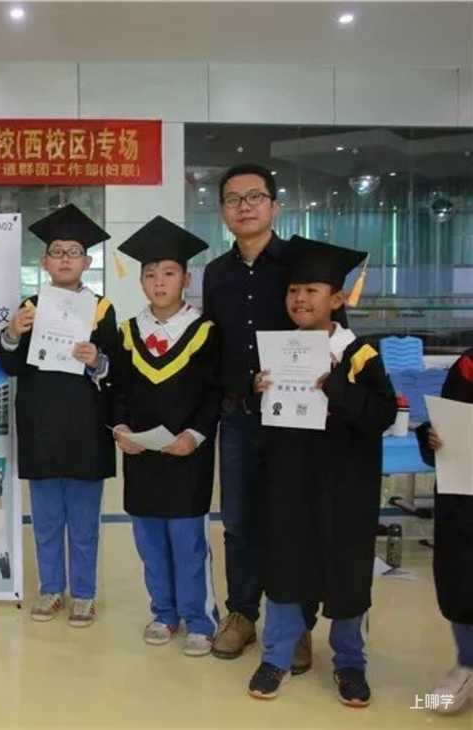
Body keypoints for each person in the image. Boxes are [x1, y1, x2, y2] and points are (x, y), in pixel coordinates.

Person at [247, 237, 396, 706]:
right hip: (290, 481)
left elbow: (382, 413)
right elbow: (266, 421)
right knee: (286, 565)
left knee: (347, 572)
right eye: (293, 290)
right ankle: (276, 657)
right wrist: (257, 389)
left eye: (312, 290)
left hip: (345, 486)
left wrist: (336, 386)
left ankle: (350, 663)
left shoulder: (360, 354)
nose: (300, 299)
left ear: (336, 299)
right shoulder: (278, 349)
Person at [202, 163, 339, 666]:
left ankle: (296, 624)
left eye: (254, 196)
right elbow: (213, 346)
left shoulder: (299, 264)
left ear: (275, 206)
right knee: (238, 521)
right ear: (223, 211)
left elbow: (330, 332)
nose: (244, 206)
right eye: (233, 199)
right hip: (239, 416)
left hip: (296, 417)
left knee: (293, 520)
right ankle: (241, 614)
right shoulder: (217, 273)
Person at [0, 204, 117, 628]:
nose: (65, 259)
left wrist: (97, 359)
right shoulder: (29, 307)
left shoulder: (101, 309)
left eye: (74, 252)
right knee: (46, 520)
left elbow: (116, 370)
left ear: (87, 262)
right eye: (57, 252)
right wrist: (12, 333)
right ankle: (50, 589)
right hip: (41, 426)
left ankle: (83, 594)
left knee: (84, 522)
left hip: (87, 428)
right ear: (44, 262)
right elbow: (10, 365)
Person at [110, 217, 222, 657]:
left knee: (188, 543)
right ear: (140, 281)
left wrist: (194, 436)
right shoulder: (128, 333)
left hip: (187, 456)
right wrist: (121, 429)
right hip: (141, 455)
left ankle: (200, 619)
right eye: (151, 274)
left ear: (186, 280)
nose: (159, 282)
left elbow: (213, 394)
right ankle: (163, 612)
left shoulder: (205, 332)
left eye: (169, 273)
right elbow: (117, 391)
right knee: (150, 543)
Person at [416, 347, 473, 715]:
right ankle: (467, 665)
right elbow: (446, 425)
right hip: (464, 495)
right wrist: (430, 437)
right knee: (461, 581)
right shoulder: (467, 366)